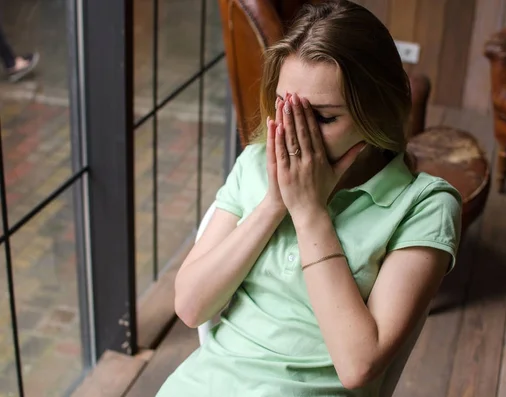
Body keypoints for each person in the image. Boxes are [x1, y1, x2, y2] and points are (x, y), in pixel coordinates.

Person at [158, 1, 462, 396]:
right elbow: (191, 306)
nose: (296, 132)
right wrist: (274, 204)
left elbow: (358, 366)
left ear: (379, 113)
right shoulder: (255, 163)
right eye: (287, 108)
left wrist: (309, 212)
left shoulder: (424, 206)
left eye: (323, 117)